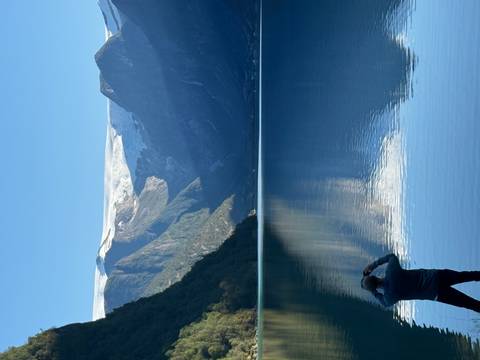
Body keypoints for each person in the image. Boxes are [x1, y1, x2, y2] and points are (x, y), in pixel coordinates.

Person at [361, 253, 480, 312]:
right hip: (436, 276)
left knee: (469, 303)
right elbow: (391, 257)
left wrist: (373, 291)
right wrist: (373, 265)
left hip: (437, 293)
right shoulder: (392, 271)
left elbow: (383, 303)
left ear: (375, 288)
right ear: (375, 276)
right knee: (466, 275)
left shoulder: (389, 297)